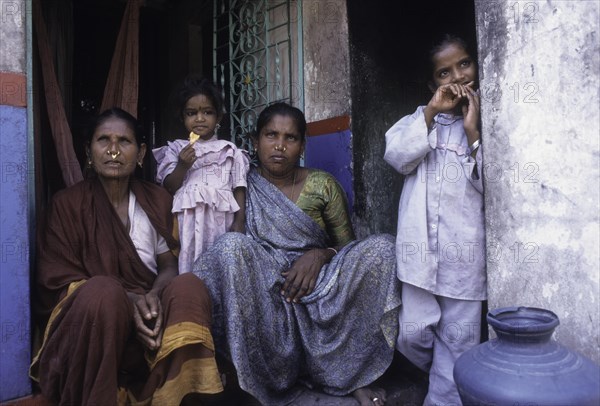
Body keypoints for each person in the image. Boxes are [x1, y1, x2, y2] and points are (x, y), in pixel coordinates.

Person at [192, 102, 402, 406]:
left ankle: (354, 376)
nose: (280, 146)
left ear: (302, 145)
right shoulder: (240, 184)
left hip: (321, 285)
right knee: (230, 247)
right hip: (266, 285)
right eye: (271, 135)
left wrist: (319, 255)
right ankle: (252, 382)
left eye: (290, 138)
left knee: (382, 248)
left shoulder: (322, 184)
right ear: (254, 141)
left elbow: (349, 247)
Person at [30, 108, 224, 405]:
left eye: (124, 141)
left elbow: (168, 264)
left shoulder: (156, 200)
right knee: (104, 292)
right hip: (97, 327)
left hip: (151, 324)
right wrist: (130, 301)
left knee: (189, 286)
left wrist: (153, 300)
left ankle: (178, 395)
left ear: (141, 151)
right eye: (103, 140)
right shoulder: (66, 206)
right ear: (88, 151)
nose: (113, 150)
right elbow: (55, 283)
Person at [383, 34, 486, 405]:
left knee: (458, 344)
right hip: (419, 257)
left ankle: (443, 396)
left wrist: (474, 134)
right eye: (445, 72)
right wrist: (430, 112)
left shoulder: (489, 121)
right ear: (433, 84)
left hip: (465, 259)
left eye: (464, 64)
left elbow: (494, 186)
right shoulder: (417, 121)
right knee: (412, 333)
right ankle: (435, 374)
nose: (458, 76)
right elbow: (396, 156)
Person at [153, 76, 249, 274]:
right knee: (189, 262)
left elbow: (239, 187)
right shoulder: (176, 149)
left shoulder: (230, 151)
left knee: (220, 264)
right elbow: (169, 186)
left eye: (207, 112)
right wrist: (182, 165)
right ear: (182, 117)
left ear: (219, 117)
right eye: (191, 113)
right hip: (187, 220)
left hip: (221, 220)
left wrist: (239, 222)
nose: (199, 119)